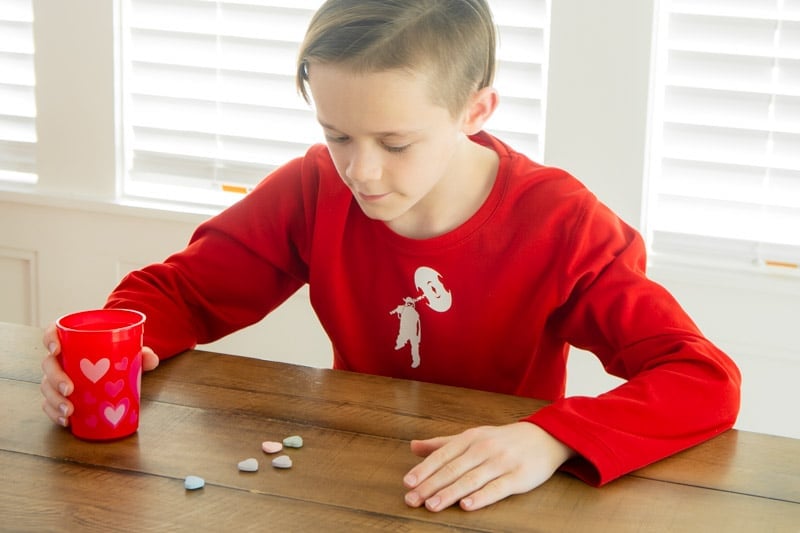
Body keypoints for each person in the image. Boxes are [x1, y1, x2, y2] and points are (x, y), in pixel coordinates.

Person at [40, 0, 741, 513]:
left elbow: (702, 377)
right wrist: (117, 350)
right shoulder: (314, 188)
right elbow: (181, 292)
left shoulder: (563, 223)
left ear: (477, 110)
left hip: (501, 492)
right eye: (337, 133)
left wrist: (551, 437)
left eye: (396, 143)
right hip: (348, 479)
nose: (361, 171)